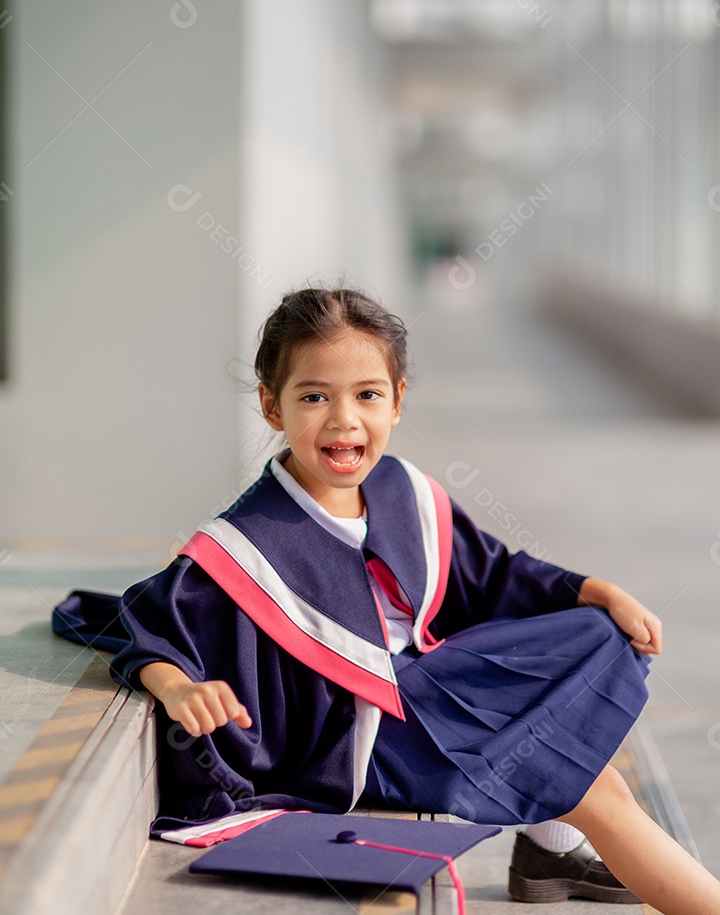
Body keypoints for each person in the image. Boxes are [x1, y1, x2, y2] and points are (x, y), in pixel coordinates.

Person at [96, 284, 719, 912]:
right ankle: (553, 849)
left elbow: (495, 574)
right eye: (314, 397)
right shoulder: (247, 544)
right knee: (598, 789)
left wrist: (594, 589)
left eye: (367, 395)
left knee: (601, 634)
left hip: (432, 682)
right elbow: (150, 622)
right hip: (370, 732)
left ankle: (547, 850)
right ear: (271, 406)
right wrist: (179, 687)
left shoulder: (400, 489)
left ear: (396, 402)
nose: (343, 420)